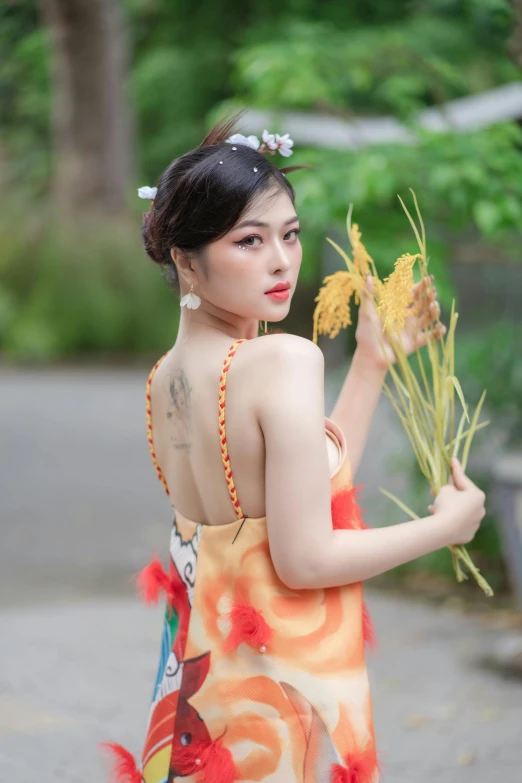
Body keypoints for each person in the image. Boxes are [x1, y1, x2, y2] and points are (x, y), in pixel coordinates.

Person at [100, 116, 486, 783]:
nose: (282, 260)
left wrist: (369, 365)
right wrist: (441, 527)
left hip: (205, 696)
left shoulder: (166, 378)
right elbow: (305, 556)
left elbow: (306, 488)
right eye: (250, 240)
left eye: (291, 234)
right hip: (272, 700)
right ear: (187, 260)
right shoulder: (283, 359)